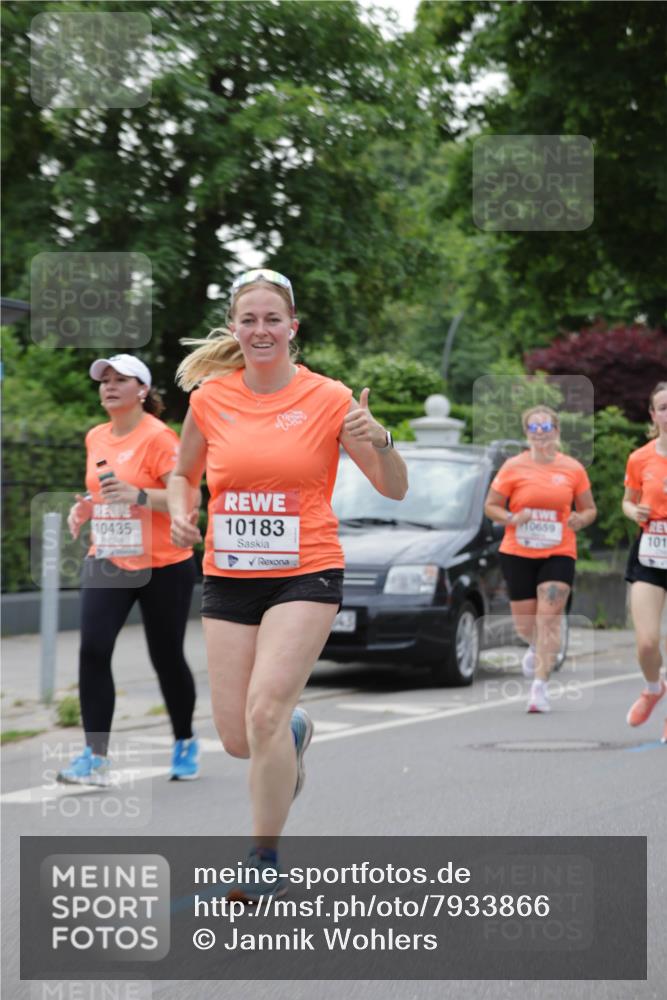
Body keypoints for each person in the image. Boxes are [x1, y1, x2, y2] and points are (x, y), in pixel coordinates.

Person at [168, 268, 408, 900]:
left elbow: (394, 487)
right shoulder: (210, 400)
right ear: (235, 328)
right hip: (229, 573)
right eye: (249, 319)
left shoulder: (330, 398)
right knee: (238, 737)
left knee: (264, 709)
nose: (261, 329)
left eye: (273, 318)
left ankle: (263, 858)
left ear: (292, 327)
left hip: (307, 568)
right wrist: (179, 508)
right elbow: (182, 472)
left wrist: (378, 437)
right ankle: (295, 732)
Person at [58, 354, 200, 786]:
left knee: (166, 656)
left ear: (143, 390)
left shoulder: (159, 438)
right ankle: (95, 756)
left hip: (163, 563)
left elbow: (188, 497)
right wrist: (85, 506)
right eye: (105, 380)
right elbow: (103, 487)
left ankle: (185, 740)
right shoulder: (96, 436)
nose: (110, 386)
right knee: (93, 649)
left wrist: (139, 495)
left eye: (122, 379)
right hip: (110, 556)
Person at [484, 404, 597, 714]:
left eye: (546, 428)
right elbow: (491, 506)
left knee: (549, 617)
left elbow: (589, 509)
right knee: (525, 624)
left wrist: (580, 519)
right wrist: (511, 517)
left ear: (556, 432)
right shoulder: (512, 467)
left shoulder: (572, 468)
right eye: (534, 428)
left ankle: (539, 687)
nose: (540, 434)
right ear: (527, 434)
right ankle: (534, 646)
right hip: (518, 551)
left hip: (559, 550)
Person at [622, 381, 667, 743]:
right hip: (650, 552)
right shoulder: (640, 458)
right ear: (653, 415)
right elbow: (627, 500)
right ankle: (653, 688)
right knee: (647, 643)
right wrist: (632, 509)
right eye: (663, 407)